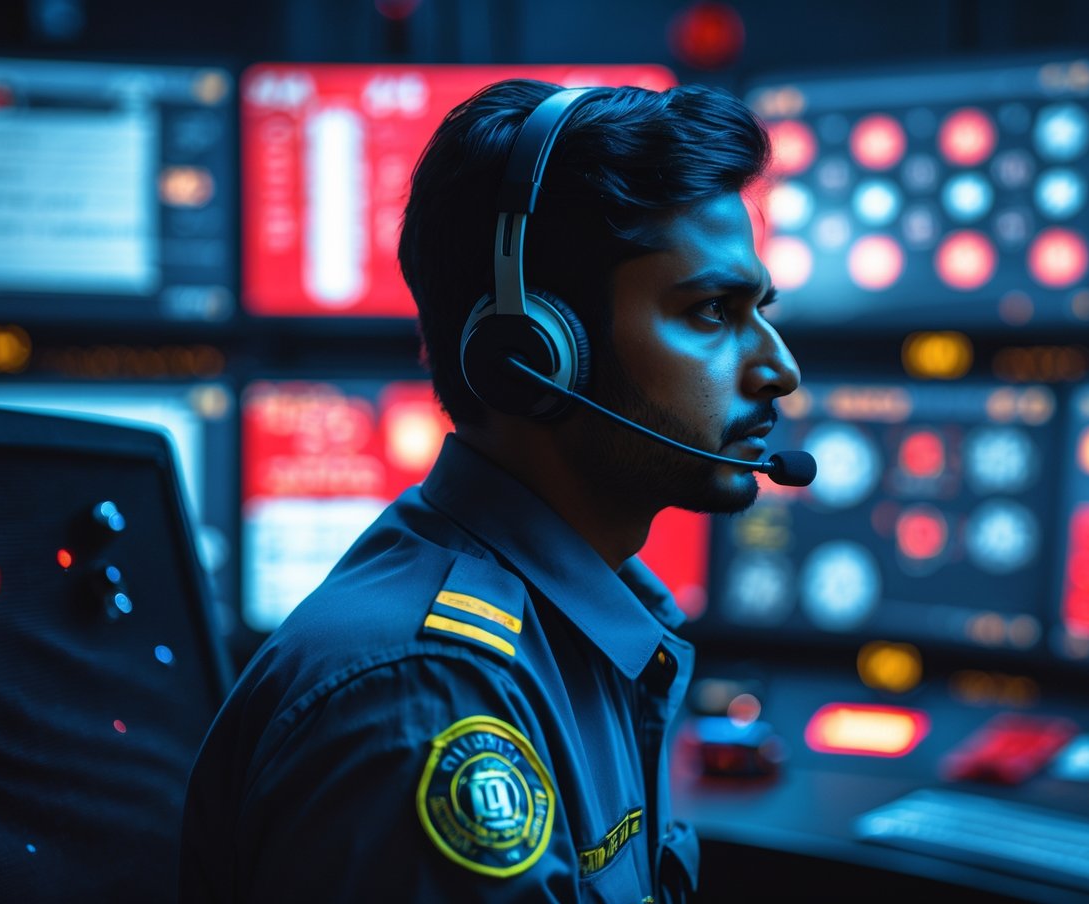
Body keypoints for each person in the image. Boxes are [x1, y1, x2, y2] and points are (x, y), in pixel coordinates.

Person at [180, 79, 799, 902]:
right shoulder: (430, 700)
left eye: (763, 309)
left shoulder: (574, 632)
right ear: (532, 353)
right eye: (714, 311)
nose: (780, 368)